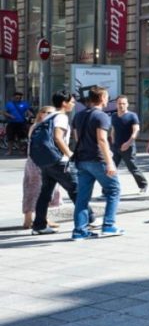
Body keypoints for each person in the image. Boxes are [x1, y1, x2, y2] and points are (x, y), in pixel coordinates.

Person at [30, 91, 90, 235]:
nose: (73, 104)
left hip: (46, 161)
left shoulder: (49, 116)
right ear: (64, 103)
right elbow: (58, 138)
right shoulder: (61, 117)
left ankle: (39, 226)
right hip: (59, 161)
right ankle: (90, 220)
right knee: (77, 190)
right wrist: (70, 155)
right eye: (72, 102)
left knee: (45, 193)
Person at [71, 86, 123, 239]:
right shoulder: (102, 116)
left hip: (82, 159)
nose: (108, 99)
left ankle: (79, 231)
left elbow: (76, 137)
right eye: (107, 97)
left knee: (82, 197)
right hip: (97, 160)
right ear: (101, 98)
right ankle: (109, 225)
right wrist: (110, 162)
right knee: (114, 190)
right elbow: (102, 139)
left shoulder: (79, 116)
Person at [22, 107, 61, 230]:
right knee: (40, 190)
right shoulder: (40, 127)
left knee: (36, 190)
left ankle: (34, 218)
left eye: (51, 113)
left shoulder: (39, 126)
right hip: (38, 162)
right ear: (40, 114)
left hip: (34, 161)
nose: (48, 115)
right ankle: (32, 218)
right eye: (45, 112)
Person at [110, 95, 148, 194]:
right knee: (111, 168)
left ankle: (143, 185)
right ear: (116, 104)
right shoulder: (114, 116)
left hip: (129, 147)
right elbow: (113, 130)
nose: (121, 105)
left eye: (123, 103)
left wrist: (128, 143)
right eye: (119, 103)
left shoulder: (132, 116)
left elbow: (136, 131)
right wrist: (112, 141)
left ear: (127, 105)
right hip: (116, 147)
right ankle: (107, 190)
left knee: (132, 168)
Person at [4, 90, 31, 155]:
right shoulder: (9, 104)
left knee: (21, 138)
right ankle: (10, 151)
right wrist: (10, 115)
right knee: (10, 138)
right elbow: (4, 112)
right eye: (16, 98)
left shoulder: (24, 104)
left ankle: (20, 151)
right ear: (13, 97)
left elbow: (28, 111)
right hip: (11, 123)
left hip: (21, 123)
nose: (18, 99)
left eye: (19, 98)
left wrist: (30, 115)